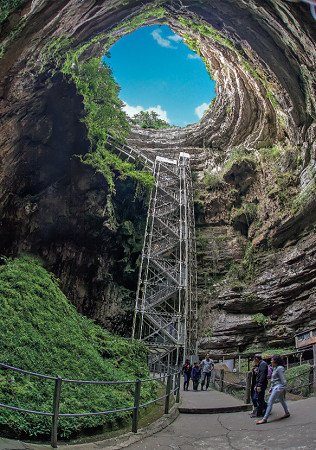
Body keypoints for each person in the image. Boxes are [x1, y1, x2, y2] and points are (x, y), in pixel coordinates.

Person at [257, 354, 290, 424]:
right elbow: (274, 379)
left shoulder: (280, 368)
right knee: (282, 400)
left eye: (272, 360)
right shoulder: (275, 368)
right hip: (275, 386)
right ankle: (287, 412)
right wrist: (271, 387)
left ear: (276, 361)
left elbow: (283, 380)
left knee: (270, 402)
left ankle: (265, 418)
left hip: (278, 387)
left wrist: (282, 388)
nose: (271, 361)